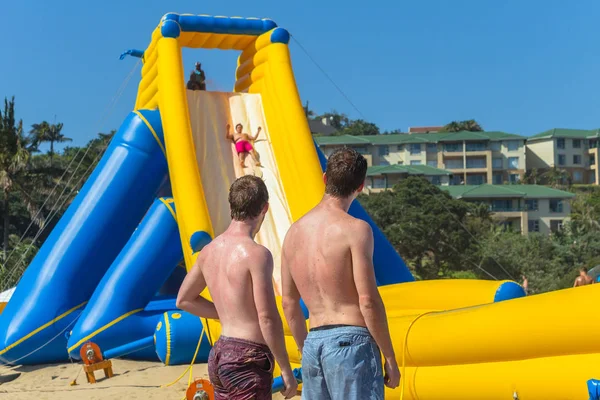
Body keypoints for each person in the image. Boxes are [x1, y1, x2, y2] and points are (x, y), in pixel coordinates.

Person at [280, 147, 400, 399]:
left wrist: (306, 349)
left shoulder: (293, 233)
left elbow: (289, 303)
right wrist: (389, 356)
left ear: (325, 178)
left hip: (313, 341)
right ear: (361, 186)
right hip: (351, 342)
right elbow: (367, 300)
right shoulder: (356, 229)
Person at [176, 175, 297, 399]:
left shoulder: (209, 251)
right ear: (265, 208)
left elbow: (184, 299)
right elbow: (267, 317)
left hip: (220, 354)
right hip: (247, 359)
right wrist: (286, 369)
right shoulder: (256, 254)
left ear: (232, 207)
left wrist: (223, 313)